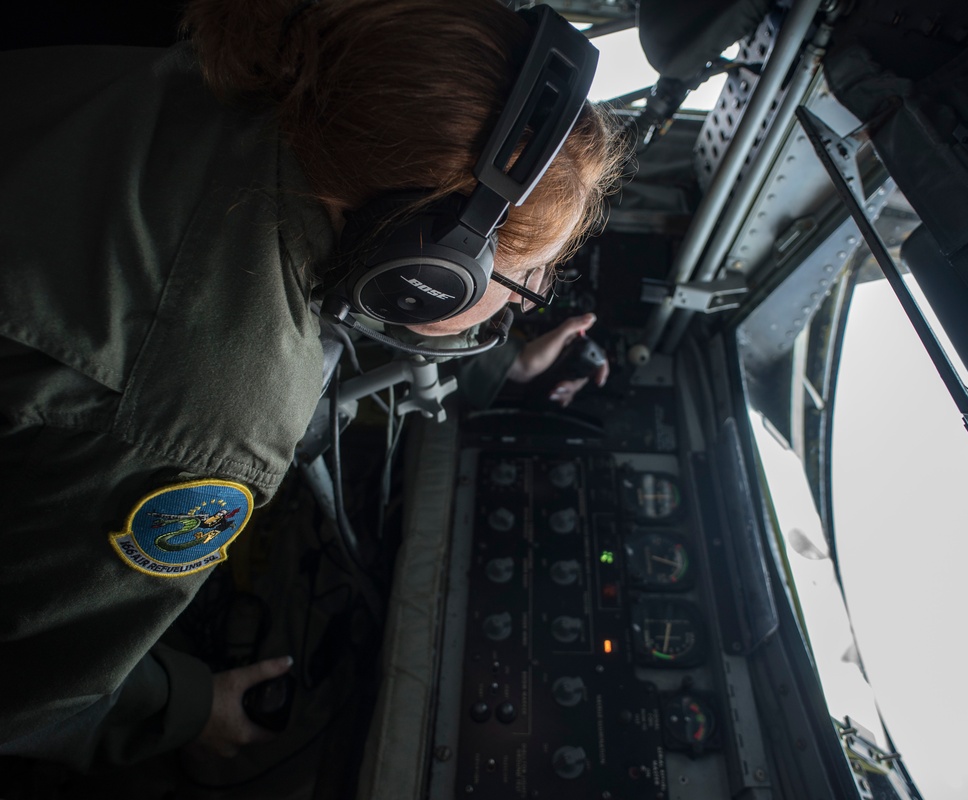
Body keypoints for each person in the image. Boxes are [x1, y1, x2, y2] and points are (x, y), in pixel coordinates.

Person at [0, 0, 620, 770]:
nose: (534, 290)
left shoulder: (243, 93)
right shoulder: (215, 411)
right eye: (529, 275)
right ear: (426, 271)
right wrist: (189, 706)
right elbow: (31, 696)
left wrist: (503, 365)